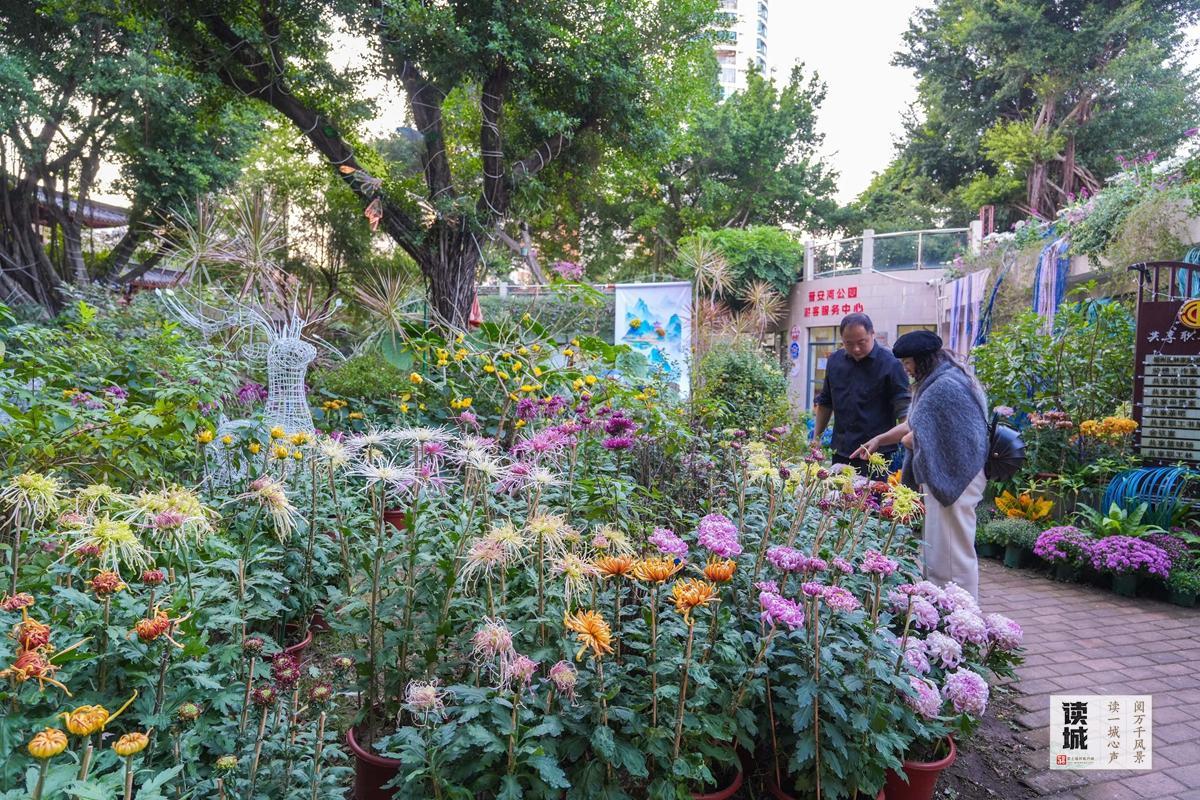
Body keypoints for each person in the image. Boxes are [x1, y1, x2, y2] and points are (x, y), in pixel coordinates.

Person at [852, 330, 989, 599]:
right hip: (952, 473)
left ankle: (960, 613)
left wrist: (907, 440)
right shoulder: (943, 378)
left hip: (955, 477)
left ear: (922, 359)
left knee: (952, 557)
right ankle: (944, 611)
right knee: (939, 552)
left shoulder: (944, 387)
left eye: (908, 363)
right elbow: (916, 423)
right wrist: (880, 439)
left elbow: (918, 435)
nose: (906, 370)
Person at [811, 313, 911, 473]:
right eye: (848, 343)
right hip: (841, 450)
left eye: (861, 342)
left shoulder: (891, 364)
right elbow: (826, 402)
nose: (856, 349)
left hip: (876, 455)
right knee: (837, 495)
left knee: (871, 497)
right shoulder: (835, 361)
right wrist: (817, 438)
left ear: (872, 334)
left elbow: (904, 409)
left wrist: (907, 435)